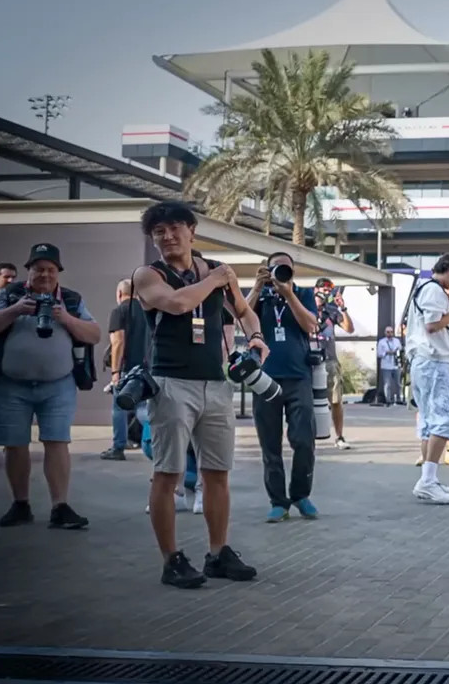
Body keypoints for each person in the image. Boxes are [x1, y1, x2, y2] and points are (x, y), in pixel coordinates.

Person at [133, 201, 267, 589]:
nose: (167, 236)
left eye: (175, 228)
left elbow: (244, 312)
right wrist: (216, 278)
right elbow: (177, 304)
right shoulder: (148, 274)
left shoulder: (217, 271)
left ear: (192, 231)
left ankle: (218, 553)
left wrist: (256, 337)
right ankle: (171, 560)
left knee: (217, 473)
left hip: (216, 382)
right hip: (170, 383)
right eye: (159, 231)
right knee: (167, 474)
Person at [0, 243, 99, 529]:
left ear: (58, 272)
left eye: (50, 270)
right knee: (15, 444)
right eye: (38, 269)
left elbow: (94, 334)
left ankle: (60, 506)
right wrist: (16, 310)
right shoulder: (9, 295)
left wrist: (65, 318)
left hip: (58, 384)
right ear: (28, 271)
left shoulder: (70, 299)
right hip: (11, 384)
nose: (44, 275)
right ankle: (20, 504)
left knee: (57, 442)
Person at [247, 252, 321, 522]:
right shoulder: (261, 296)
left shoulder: (303, 294)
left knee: (303, 440)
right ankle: (278, 501)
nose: (281, 272)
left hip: (298, 376)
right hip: (264, 379)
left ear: (293, 271)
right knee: (270, 444)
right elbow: (240, 317)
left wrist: (288, 294)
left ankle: (301, 495)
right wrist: (257, 287)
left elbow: (311, 325)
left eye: (286, 268)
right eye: (275, 268)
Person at [403, 254, 449, 504]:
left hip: (422, 362)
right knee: (444, 420)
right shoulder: (433, 290)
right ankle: (428, 481)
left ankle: (428, 478)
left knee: (429, 423)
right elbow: (432, 325)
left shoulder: (424, 288)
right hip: (433, 361)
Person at [103, 278, 146, 461]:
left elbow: (118, 342)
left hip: (127, 369)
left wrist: (115, 372)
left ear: (119, 293)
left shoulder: (119, 311)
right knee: (143, 407)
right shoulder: (147, 311)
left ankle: (118, 447)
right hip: (147, 368)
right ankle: (155, 439)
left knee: (120, 408)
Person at [314, 278, 353, 449]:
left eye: (329, 290)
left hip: (329, 360)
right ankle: (309, 435)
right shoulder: (305, 308)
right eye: (324, 289)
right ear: (316, 290)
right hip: (309, 360)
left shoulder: (332, 311)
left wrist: (343, 308)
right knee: (306, 401)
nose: (326, 293)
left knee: (336, 401)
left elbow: (349, 328)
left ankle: (339, 436)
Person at [377, 325, 402, 405]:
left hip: (396, 365)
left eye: (391, 332)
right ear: (385, 333)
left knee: (398, 383)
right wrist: (386, 352)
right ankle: (388, 400)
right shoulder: (381, 342)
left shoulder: (397, 341)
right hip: (386, 365)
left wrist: (396, 352)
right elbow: (379, 354)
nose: (390, 334)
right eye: (388, 332)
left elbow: (400, 350)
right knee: (387, 384)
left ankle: (398, 399)